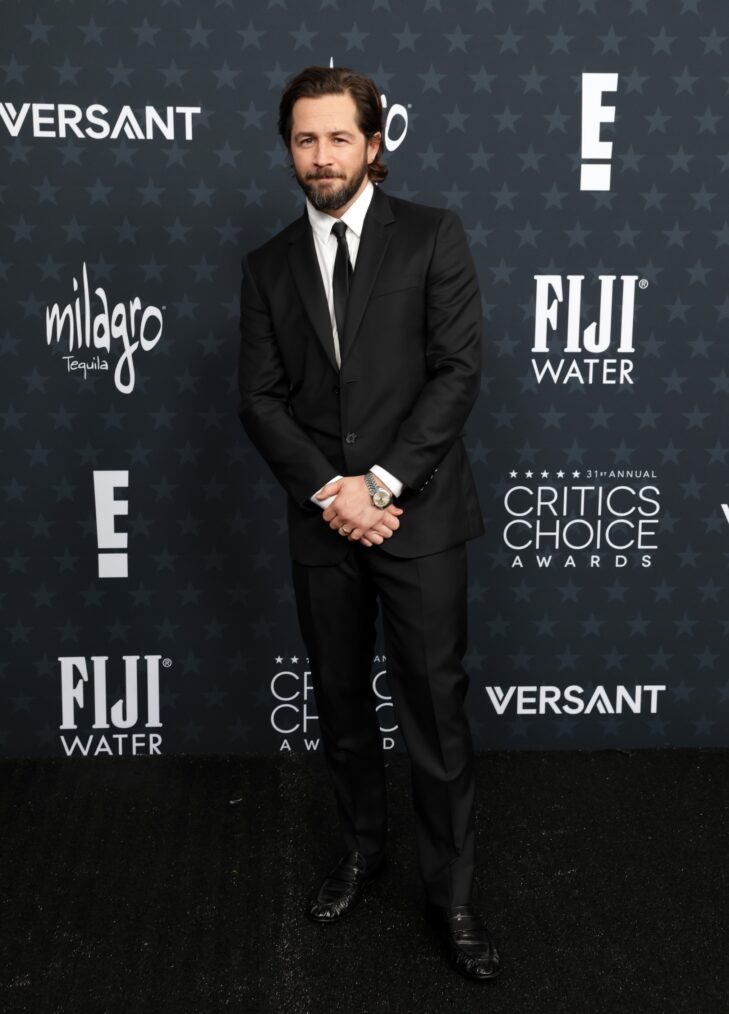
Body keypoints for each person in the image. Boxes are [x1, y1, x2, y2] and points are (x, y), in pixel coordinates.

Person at [238, 66, 499, 982]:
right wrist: (332, 494)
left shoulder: (432, 236)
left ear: (375, 144)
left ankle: (451, 896)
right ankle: (360, 850)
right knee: (343, 705)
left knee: (435, 712)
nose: (321, 156)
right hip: (323, 526)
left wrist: (379, 486)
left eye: (338, 138)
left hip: (416, 520)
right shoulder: (267, 265)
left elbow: (456, 373)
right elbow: (261, 402)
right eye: (304, 140)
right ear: (288, 151)